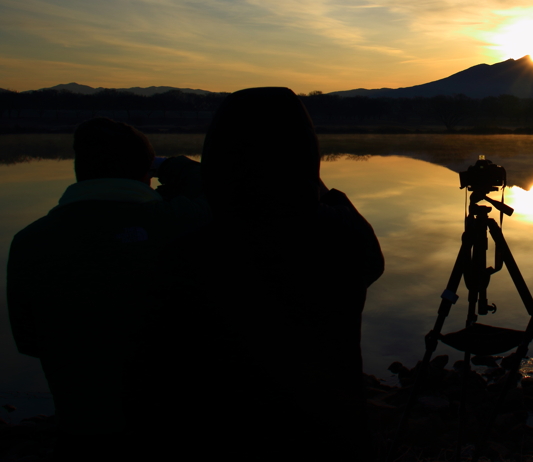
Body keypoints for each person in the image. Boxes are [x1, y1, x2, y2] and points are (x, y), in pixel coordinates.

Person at [126, 87, 384, 460]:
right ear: (307, 153)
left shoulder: (186, 255)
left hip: (225, 438)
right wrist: (302, 177)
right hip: (328, 438)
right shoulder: (344, 240)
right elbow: (338, 220)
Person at [5, 117, 207, 459]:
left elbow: (28, 341)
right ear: (146, 171)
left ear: (78, 170)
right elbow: (214, 190)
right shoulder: (180, 223)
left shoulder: (29, 242)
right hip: (174, 429)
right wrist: (173, 167)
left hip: (81, 432)